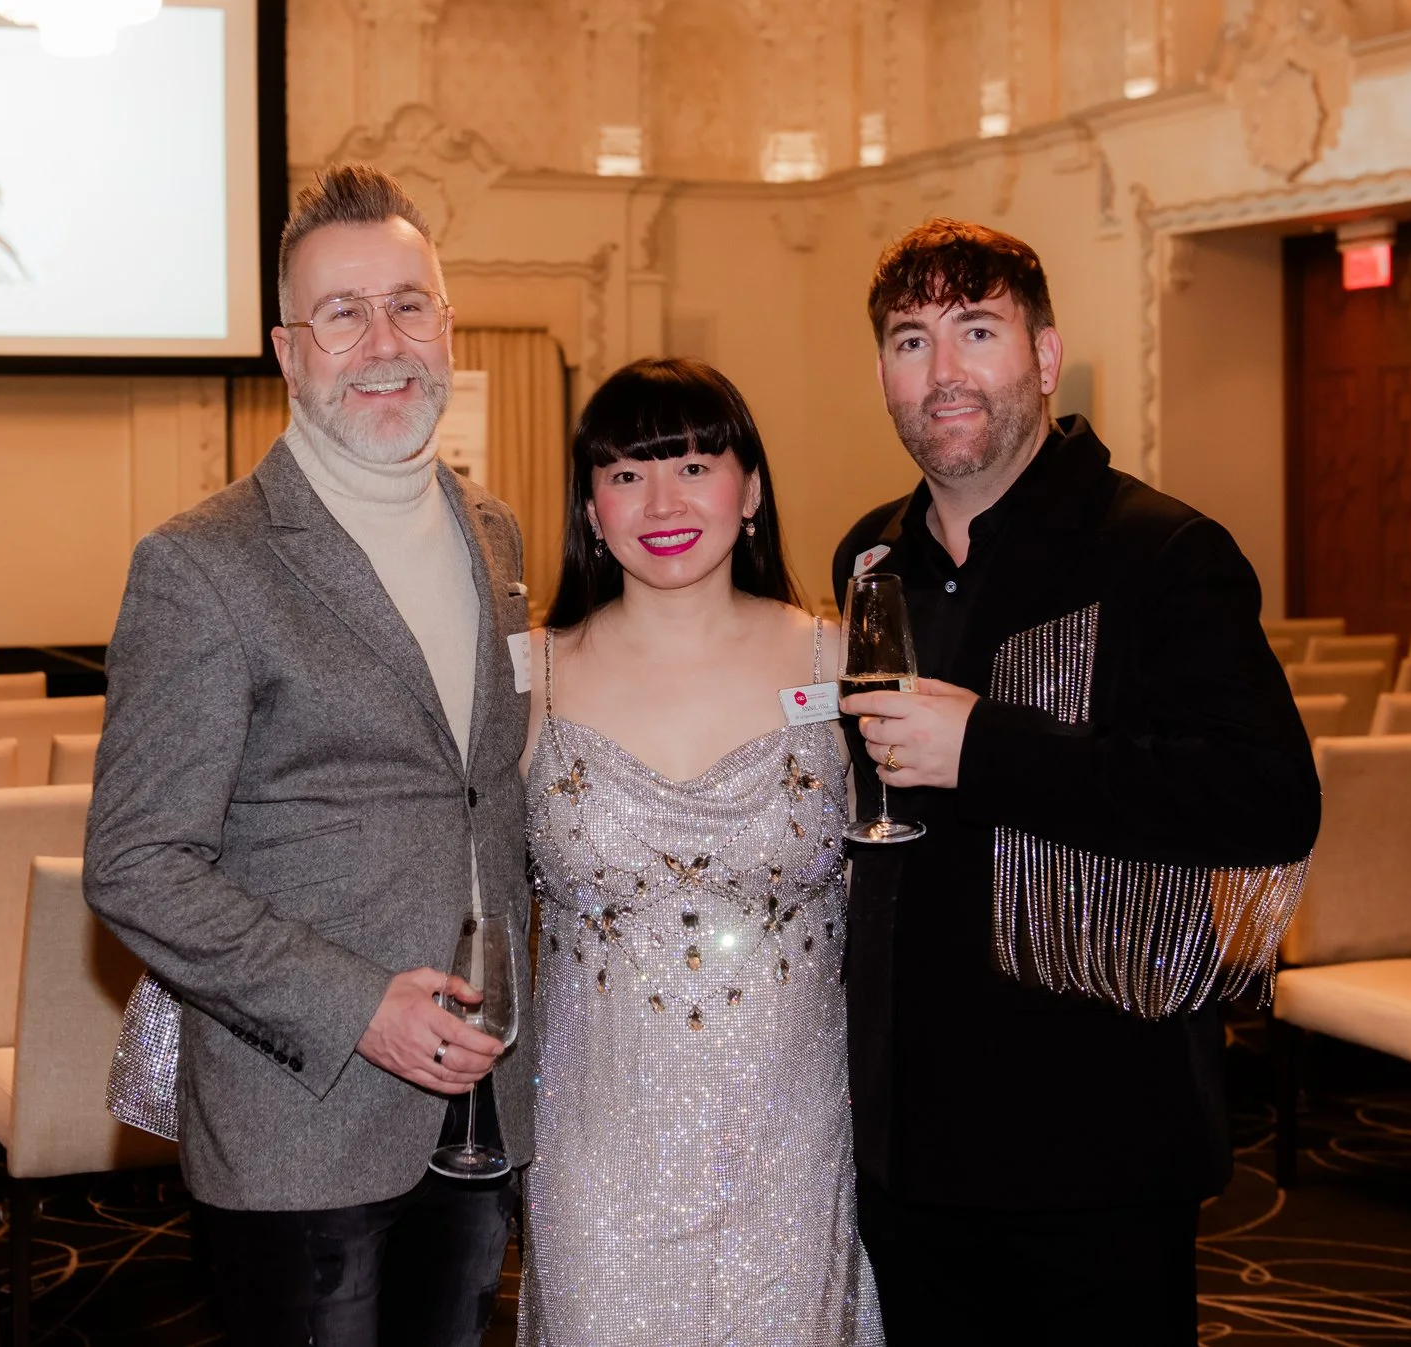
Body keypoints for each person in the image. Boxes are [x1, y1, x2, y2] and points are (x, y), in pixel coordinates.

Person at [833, 219, 1320, 1344]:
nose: (942, 371)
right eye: (911, 340)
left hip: (1091, 1126)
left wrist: (987, 749)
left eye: (976, 330)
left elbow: (1266, 798)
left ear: (1043, 359)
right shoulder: (869, 557)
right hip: (908, 1124)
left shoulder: (1156, 550)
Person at [84, 164, 533, 1347]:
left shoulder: (497, 531)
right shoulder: (203, 564)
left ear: (448, 325)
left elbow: (484, 789)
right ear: (290, 352)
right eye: (342, 313)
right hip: (302, 1113)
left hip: (482, 1093)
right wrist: (353, 1005)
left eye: (409, 304)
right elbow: (137, 862)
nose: (383, 340)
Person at [520, 357, 885, 1347]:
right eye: (626, 474)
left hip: (793, 1136)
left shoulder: (841, 657)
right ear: (590, 507)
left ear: (751, 487)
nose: (662, 500)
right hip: (598, 1144)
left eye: (692, 463)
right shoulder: (530, 672)